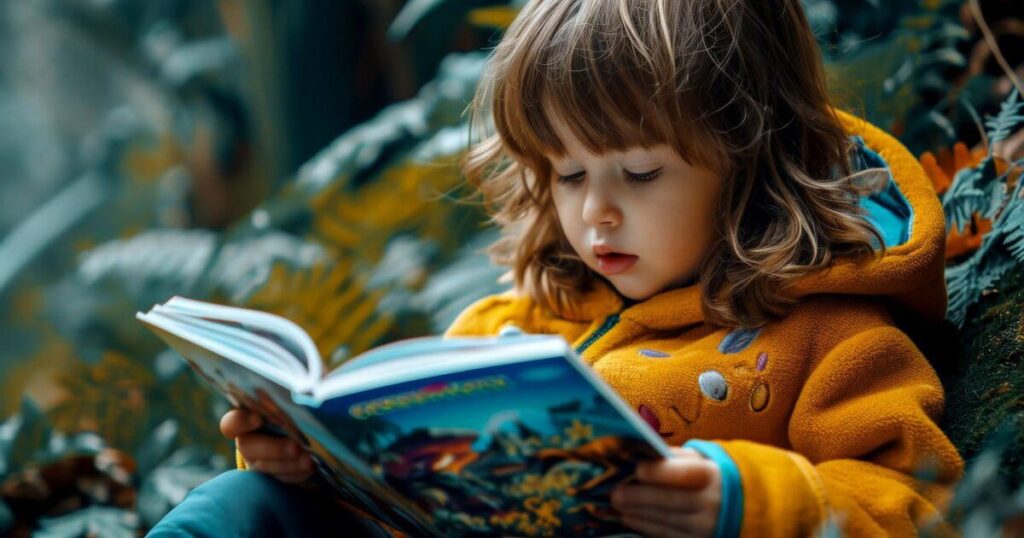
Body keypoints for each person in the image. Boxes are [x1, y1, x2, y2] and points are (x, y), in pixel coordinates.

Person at [150, 0, 964, 536]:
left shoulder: (832, 335)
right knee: (239, 506)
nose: (594, 214)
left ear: (755, 157)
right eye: (567, 176)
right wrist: (304, 457)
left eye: (638, 175)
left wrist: (744, 499)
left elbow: (920, 505)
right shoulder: (516, 322)